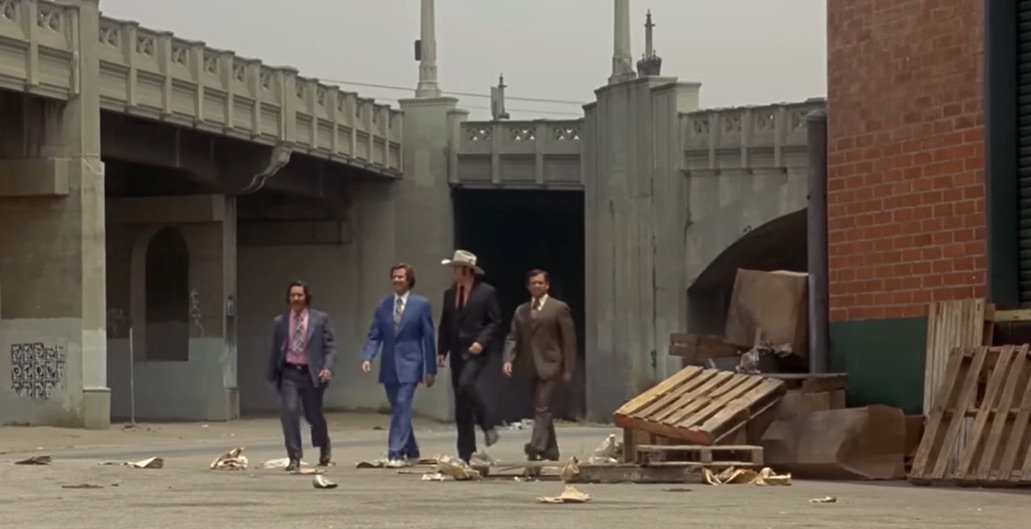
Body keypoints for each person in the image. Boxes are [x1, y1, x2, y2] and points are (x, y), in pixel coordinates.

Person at [360, 263, 437, 468]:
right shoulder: (384, 305)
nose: (396, 280)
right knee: (398, 409)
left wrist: (430, 369)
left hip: (411, 364)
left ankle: (396, 452)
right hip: (389, 366)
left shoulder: (421, 305)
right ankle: (412, 450)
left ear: (409, 280)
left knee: (402, 405)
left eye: (401, 277)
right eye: (394, 277)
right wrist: (368, 357)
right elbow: (374, 334)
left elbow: (428, 338)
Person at [502, 269, 576, 462]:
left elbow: (569, 341)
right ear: (528, 287)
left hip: (552, 366)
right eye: (533, 283)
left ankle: (536, 446)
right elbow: (513, 337)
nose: (537, 286)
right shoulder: (521, 311)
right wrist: (508, 359)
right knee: (542, 408)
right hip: (529, 366)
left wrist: (568, 369)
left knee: (542, 408)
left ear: (547, 285)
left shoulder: (558, 308)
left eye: (540, 283)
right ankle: (551, 450)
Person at [437, 249, 502, 463]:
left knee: (466, 384)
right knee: (461, 402)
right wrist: (441, 351)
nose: (453, 272)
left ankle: (487, 423)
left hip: (476, 351)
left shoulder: (486, 293)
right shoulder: (449, 294)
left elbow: (495, 322)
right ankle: (465, 453)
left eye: (456, 268)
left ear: (466, 270)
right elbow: (445, 324)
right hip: (457, 351)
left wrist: (481, 342)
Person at [266, 280, 337, 471]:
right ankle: (294, 456)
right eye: (292, 295)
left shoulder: (320, 319)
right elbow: (276, 350)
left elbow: (330, 347)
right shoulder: (280, 322)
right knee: (289, 412)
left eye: (299, 295)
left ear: (306, 297)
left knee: (313, 415)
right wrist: (272, 375)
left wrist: (327, 367)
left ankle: (323, 444)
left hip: (312, 374)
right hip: (289, 373)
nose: (296, 299)